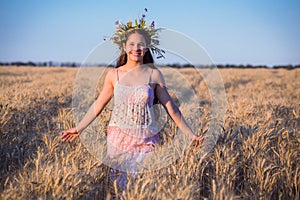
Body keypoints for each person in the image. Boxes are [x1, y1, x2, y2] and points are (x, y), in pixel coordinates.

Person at [61, 12, 202, 190]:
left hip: (147, 138)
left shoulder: (154, 74)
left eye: (141, 45)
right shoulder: (114, 74)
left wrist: (191, 135)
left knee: (148, 186)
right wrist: (78, 128)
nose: (136, 48)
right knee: (120, 189)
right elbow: (98, 105)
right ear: (124, 47)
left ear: (147, 47)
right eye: (132, 44)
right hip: (118, 139)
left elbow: (172, 108)